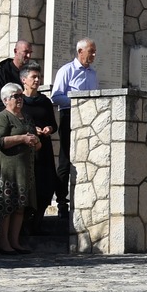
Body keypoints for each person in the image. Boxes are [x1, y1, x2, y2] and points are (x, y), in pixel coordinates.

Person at [0, 83, 40, 255]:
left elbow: (36, 141)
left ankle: (15, 242)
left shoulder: (25, 117)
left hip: (25, 169)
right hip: (8, 169)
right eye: (15, 96)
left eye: (21, 96)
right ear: (5, 100)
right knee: (7, 207)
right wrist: (21, 138)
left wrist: (35, 140)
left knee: (20, 207)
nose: (20, 99)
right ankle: (4, 243)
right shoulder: (2, 118)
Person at [50, 37, 98, 213]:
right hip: (69, 116)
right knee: (65, 158)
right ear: (80, 52)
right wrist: (77, 101)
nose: (93, 55)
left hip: (90, 119)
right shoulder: (67, 70)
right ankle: (62, 201)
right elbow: (56, 97)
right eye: (90, 51)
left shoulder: (93, 74)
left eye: (94, 51)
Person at [19, 66, 59, 223]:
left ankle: (38, 222)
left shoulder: (45, 101)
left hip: (44, 148)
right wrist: (32, 129)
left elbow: (53, 125)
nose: (37, 80)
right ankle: (25, 223)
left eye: (39, 76)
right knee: (31, 185)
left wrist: (49, 128)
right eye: (33, 77)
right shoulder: (19, 101)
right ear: (24, 80)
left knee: (46, 184)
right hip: (27, 149)